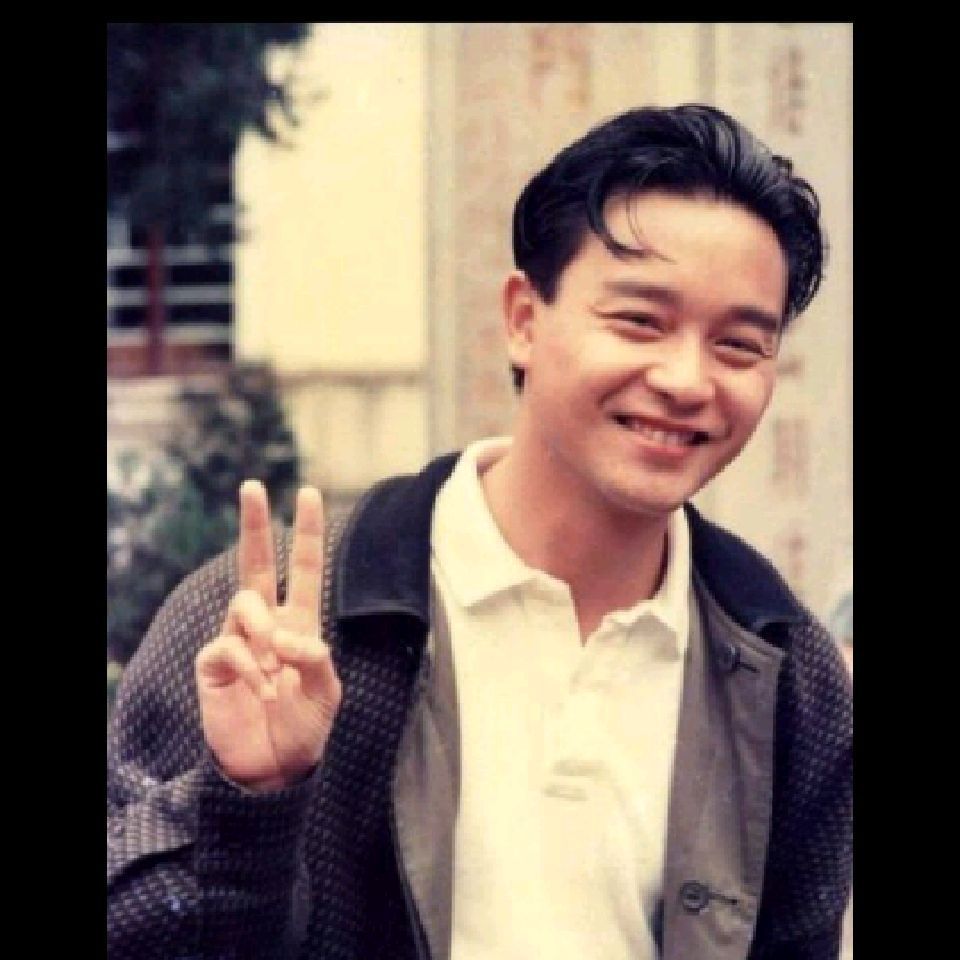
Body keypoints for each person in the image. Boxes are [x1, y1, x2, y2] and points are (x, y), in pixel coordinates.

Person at [107, 104, 853, 960]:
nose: (687, 379)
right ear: (524, 319)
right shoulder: (272, 624)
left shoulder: (787, 672)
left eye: (738, 345)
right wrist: (252, 802)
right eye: (640, 321)